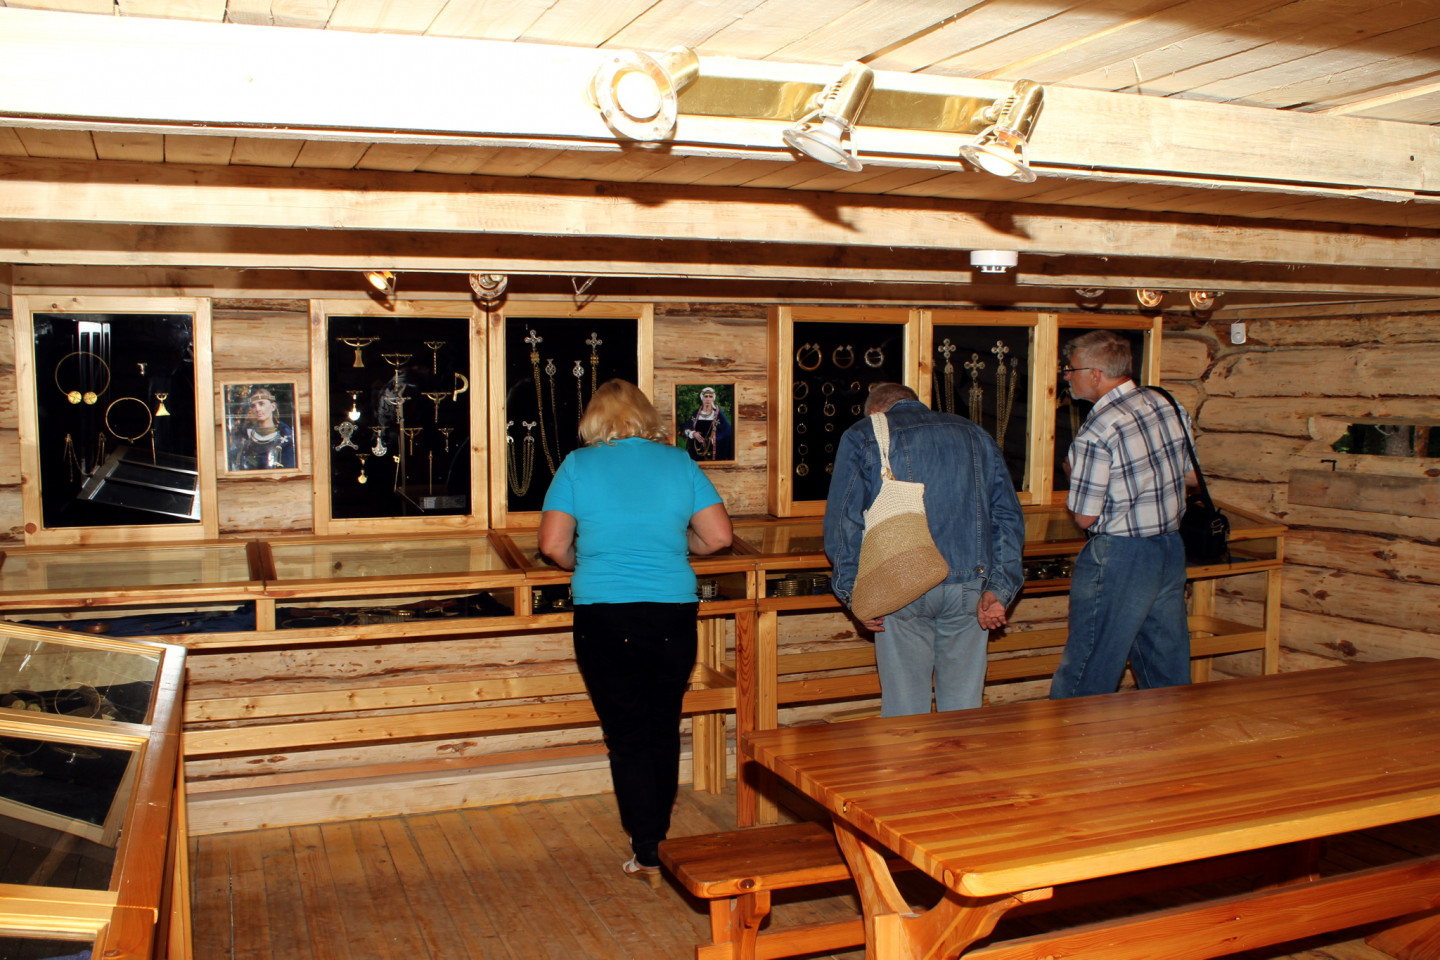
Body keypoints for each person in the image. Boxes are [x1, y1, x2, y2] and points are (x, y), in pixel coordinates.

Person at [538, 379, 732, 888]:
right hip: (672, 610)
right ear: (646, 415)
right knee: (662, 725)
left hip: (604, 612)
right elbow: (718, 537)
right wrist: (682, 546)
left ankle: (647, 846)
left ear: (593, 418)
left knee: (626, 734)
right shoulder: (678, 462)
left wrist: (583, 562)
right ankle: (656, 841)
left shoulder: (578, 465)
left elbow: (553, 546)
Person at [824, 383, 1024, 717]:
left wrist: (853, 592)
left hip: (899, 584)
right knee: (964, 711)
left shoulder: (863, 435)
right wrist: (1000, 587)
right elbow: (1006, 517)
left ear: (876, 413)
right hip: (968, 586)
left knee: (905, 713)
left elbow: (844, 522)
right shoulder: (975, 434)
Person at [1050, 330, 1196, 699]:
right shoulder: (1165, 403)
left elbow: (1084, 517)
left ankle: (1068, 734)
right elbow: (1192, 477)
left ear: (1095, 374)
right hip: (1169, 548)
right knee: (1165, 666)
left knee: (1089, 665)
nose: (1066, 376)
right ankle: (1172, 733)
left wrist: (1073, 475)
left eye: (1070, 369)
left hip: (1120, 555)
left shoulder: (1097, 430)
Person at [228, 387, 296, 469]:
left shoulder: (287, 440)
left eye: (261, 404)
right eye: (253, 406)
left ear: (273, 406)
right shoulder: (245, 441)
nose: (257, 409)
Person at [680, 386, 733, 461]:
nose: (708, 399)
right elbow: (686, 428)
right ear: (702, 398)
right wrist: (693, 433)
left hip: (713, 450)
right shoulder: (696, 414)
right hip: (696, 450)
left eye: (710, 396)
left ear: (713, 398)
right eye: (706, 396)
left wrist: (714, 438)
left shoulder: (718, 414)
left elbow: (728, 431)